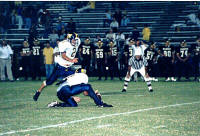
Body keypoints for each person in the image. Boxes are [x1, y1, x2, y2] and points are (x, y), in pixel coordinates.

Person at [33, 33, 81, 99]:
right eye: (73, 40)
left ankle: (71, 93)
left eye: (75, 40)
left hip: (69, 68)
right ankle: (38, 91)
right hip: (60, 68)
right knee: (49, 82)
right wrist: (72, 60)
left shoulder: (77, 42)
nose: (75, 41)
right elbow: (63, 56)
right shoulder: (64, 44)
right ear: (69, 40)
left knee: (76, 79)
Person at [34, 72, 113, 107]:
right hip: (66, 89)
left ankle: (57, 104)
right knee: (88, 86)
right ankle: (100, 104)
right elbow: (86, 92)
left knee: (73, 105)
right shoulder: (84, 77)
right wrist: (95, 94)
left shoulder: (74, 75)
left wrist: (72, 97)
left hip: (60, 94)